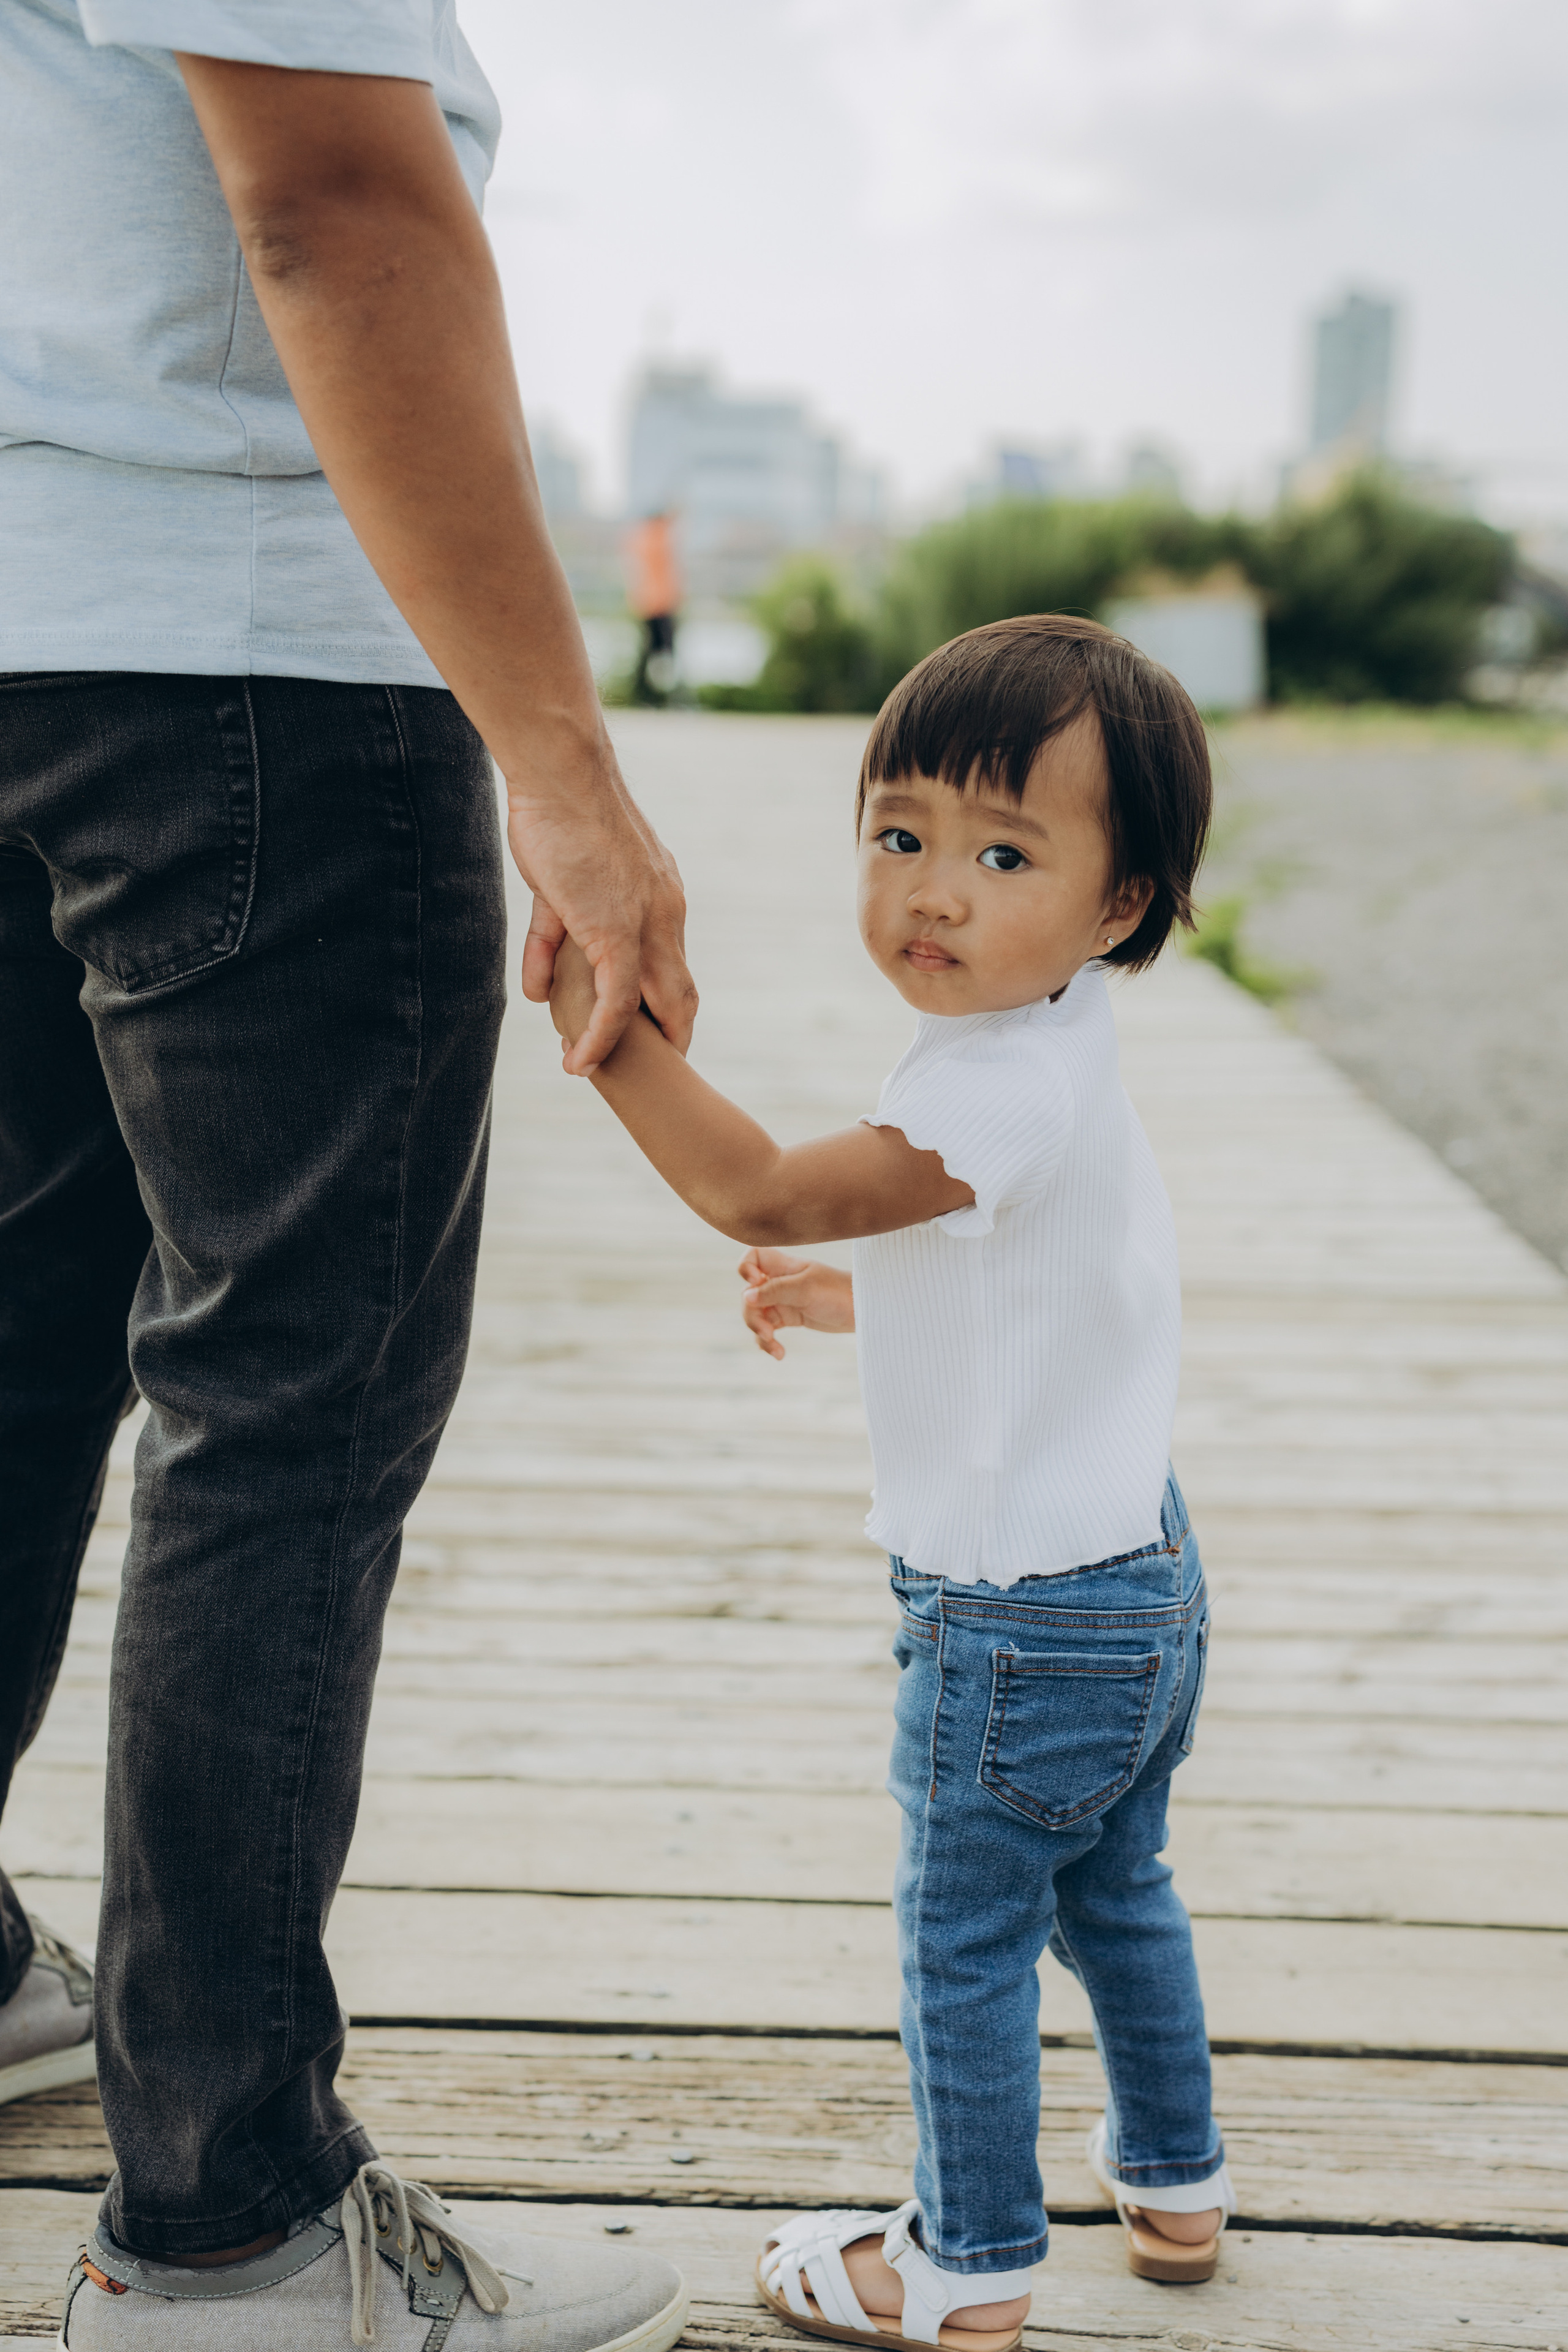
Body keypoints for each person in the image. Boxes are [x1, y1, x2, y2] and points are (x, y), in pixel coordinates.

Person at [0, 2, 696, 2345]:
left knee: (15, 1347)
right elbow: (332, 203)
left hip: (23, 646)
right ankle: (231, 2234)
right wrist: (565, 767)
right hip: (249, 678)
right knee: (282, 1416)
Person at [548, 614, 1235, 2346]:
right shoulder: (1060, 1051)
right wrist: (875, 1301)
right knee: (1115, 1887)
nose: (934, 890)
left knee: (964, 1945)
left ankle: (967, 2263)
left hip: (1015, 1627)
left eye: (1005, 854)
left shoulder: (991, 1086)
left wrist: (605, 1026)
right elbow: (1052, 1283)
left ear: (1121, 906)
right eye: (900, 834)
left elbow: (766, 1188)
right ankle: (1176, 2176)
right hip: (1138, 1578)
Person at [625, 511, 682, 704]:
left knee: (650, 651)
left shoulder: (642, 537)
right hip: (661, 604)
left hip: (648, 603)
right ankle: (662, 697)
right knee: (665, 650)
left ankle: (646, 695)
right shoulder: (659, 538)